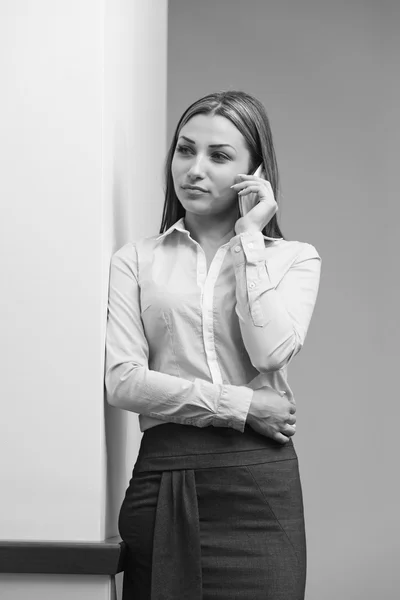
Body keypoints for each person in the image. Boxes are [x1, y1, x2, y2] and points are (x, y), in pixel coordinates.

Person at [105, 90, 321, 600]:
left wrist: (250, 237)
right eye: (185, 150)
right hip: (165, 479)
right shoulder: (135, 260)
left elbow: (269, 353)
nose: (194, 169)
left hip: (259, 491)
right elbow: (124, 382)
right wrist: (243, 405)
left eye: (219, 156)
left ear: (256, 174)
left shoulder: (293, 259)